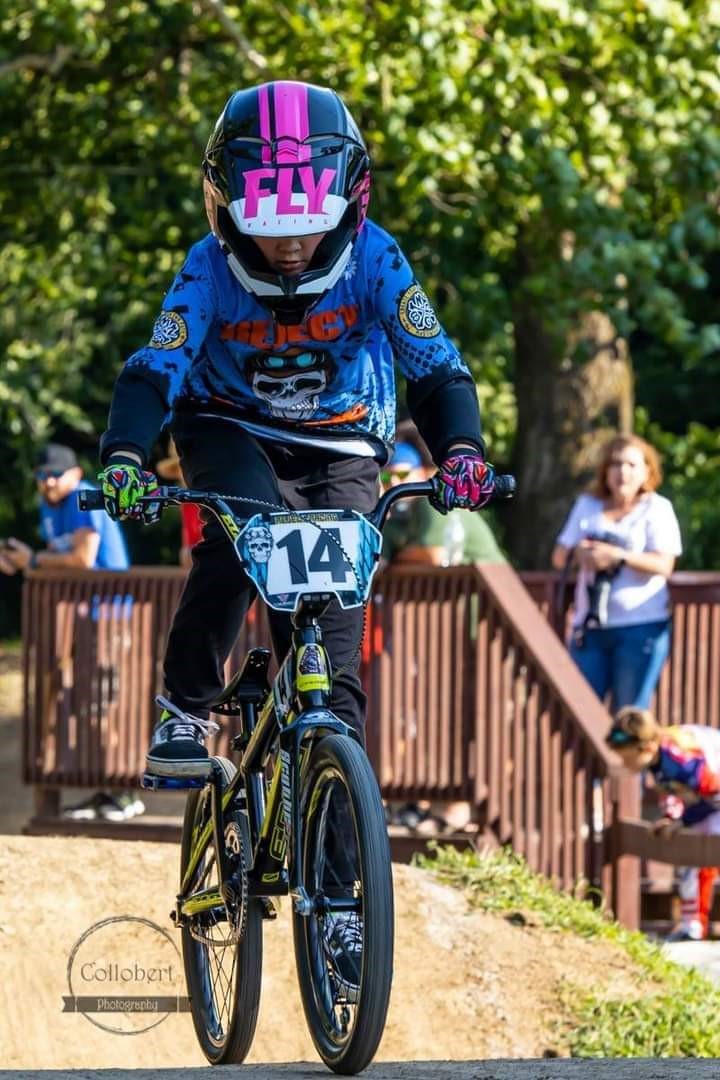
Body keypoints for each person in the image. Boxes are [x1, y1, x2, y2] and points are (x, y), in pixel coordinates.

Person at [95, 80, 496, 987]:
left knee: (338, 690)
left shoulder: (377, 258)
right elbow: (153, 369)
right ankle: (188, 704)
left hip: (344, 441)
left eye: (307, 229)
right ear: (226, 209)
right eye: (269, 228)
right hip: (225, 426)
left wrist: (463, 452)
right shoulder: (206, 267)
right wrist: (124, 456)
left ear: (348, 205)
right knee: (242, 534)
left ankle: (343, 908)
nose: (288, 247)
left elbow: (438, 369)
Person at [0, 443, 143, 822]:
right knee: (85, 705)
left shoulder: (84, 496)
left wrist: (32, 560)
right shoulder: (50, 505)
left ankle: (124, 794)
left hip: (109, 618)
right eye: (40, 475)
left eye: (54, 474)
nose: (47, 482)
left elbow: (82, 558)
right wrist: (23, 560)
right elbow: (58, 559)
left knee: (103, 705)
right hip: (81, 619)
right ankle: (106, 790)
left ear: (76, 474)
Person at [381, 431, 506, 835]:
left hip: (485, 625)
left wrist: (394, 562)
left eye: (402, 474)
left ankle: (457, 807)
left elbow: (434, 557)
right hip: (442, 631)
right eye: (386, 475)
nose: (393, 482)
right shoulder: (399, 512)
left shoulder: (435, 501)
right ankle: (421, 801)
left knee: (467, 714)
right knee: (431, 712)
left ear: (423, 472)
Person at [551, 434, 682, 713]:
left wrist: (618, 556)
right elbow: (559, 557)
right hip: (590, 627)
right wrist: (581, 553)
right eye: (615, 464)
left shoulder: (656, 508)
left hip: (640, 626)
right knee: (582, 713)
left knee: (628, 717)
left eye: (631, 465)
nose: (622, 471)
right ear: (605, 471)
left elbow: (664, 564)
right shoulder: (588, 505)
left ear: (647, 471)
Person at [607, 706, 720, 941]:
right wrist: (671, 817)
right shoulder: (659, 757)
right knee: (689, 854)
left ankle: (695, 925)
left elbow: (715, 792)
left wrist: (683, 820)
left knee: (707, 845)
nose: (625, 764)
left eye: (628, 758)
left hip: (713, 795)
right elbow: (670, 789)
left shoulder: (680, 759)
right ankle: (692, 925)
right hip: (705, 799)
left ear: (647, 747)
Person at [155, 439, 203, 568]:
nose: (182, 475)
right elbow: (187, 551)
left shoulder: (216, 501)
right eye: (180, 470)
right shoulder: (187, 504)